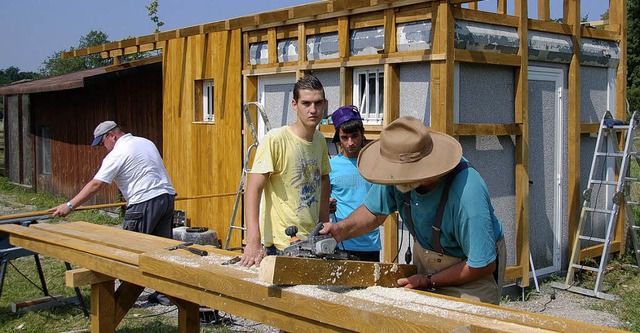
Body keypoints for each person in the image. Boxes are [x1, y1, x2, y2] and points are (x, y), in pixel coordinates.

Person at [320, 116, 506, 304]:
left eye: (400, 174)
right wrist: (340, 230)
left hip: (471, 269)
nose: (394, 178)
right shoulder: (397, 173)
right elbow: (373, 212)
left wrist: (428, 281)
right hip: (428, 256)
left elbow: (482, 263)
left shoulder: (467, 194)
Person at [48, 121, 177, 305]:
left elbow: (96, 184)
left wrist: (70, 205)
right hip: (167, 198)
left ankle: (123, 300)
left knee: (128, 252)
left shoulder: (118, 153)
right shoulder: (145, 142)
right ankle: (166, 294)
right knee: (161, 250)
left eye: (103, 143)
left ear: (112, 136)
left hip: (144, 202)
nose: (104, 148)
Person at [239, 75, 331, 267]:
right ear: (294, 104)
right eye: (306, 103)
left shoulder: (320, 140)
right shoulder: (275, 140)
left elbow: (323, 180)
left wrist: (324, 227)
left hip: (311, 241)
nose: (313, 110)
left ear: (325, 104)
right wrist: (253, 239)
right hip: (281, 244)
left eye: (317, 103)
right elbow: (253, 189)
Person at [328, 105, 380, 262]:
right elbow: (321, 202)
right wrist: (327, 204)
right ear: (338, 137)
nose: (350, 142)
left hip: (370, 244)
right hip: (339, 242)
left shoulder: (374, 164)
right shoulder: (330, 166)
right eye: (345, 137)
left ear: (362, 134)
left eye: (354, 136)